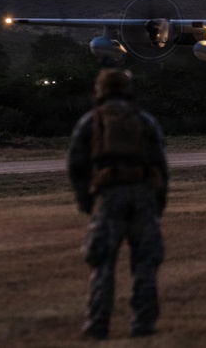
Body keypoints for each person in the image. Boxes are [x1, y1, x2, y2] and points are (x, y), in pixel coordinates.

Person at [67, 68, 169, 340]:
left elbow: (76, 166)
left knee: (102, 263)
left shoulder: (90, 122)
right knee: (145, 262)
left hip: (108, 196)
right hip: (142, 195)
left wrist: (88, 201)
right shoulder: (145, 121)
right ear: (127, 89)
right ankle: (143, 323)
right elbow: (160, 163)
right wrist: (158, 202)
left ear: (99, 90)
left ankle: (98, 324)